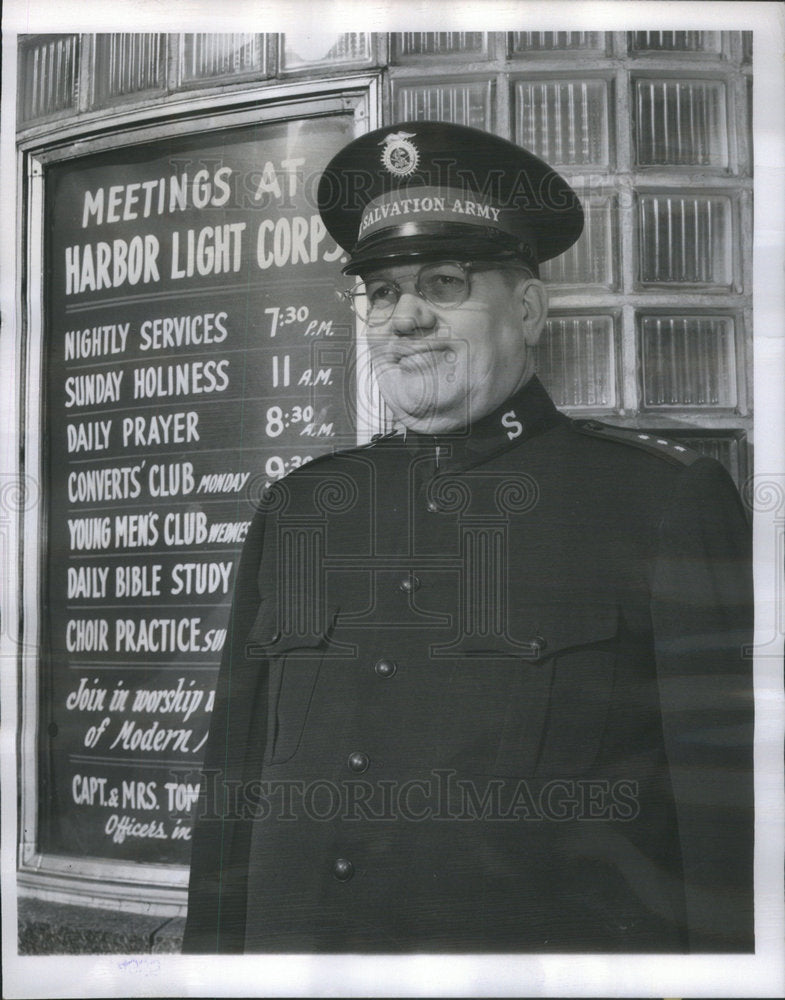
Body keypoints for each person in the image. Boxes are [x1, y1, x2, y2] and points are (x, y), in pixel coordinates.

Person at [183, 121, 753, 954]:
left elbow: (725, 828)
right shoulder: (299, 510)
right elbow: (229, 792)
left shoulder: (659, 501)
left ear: (526, 309)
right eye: (381, 292)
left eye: (443, 282)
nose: (404, 316)